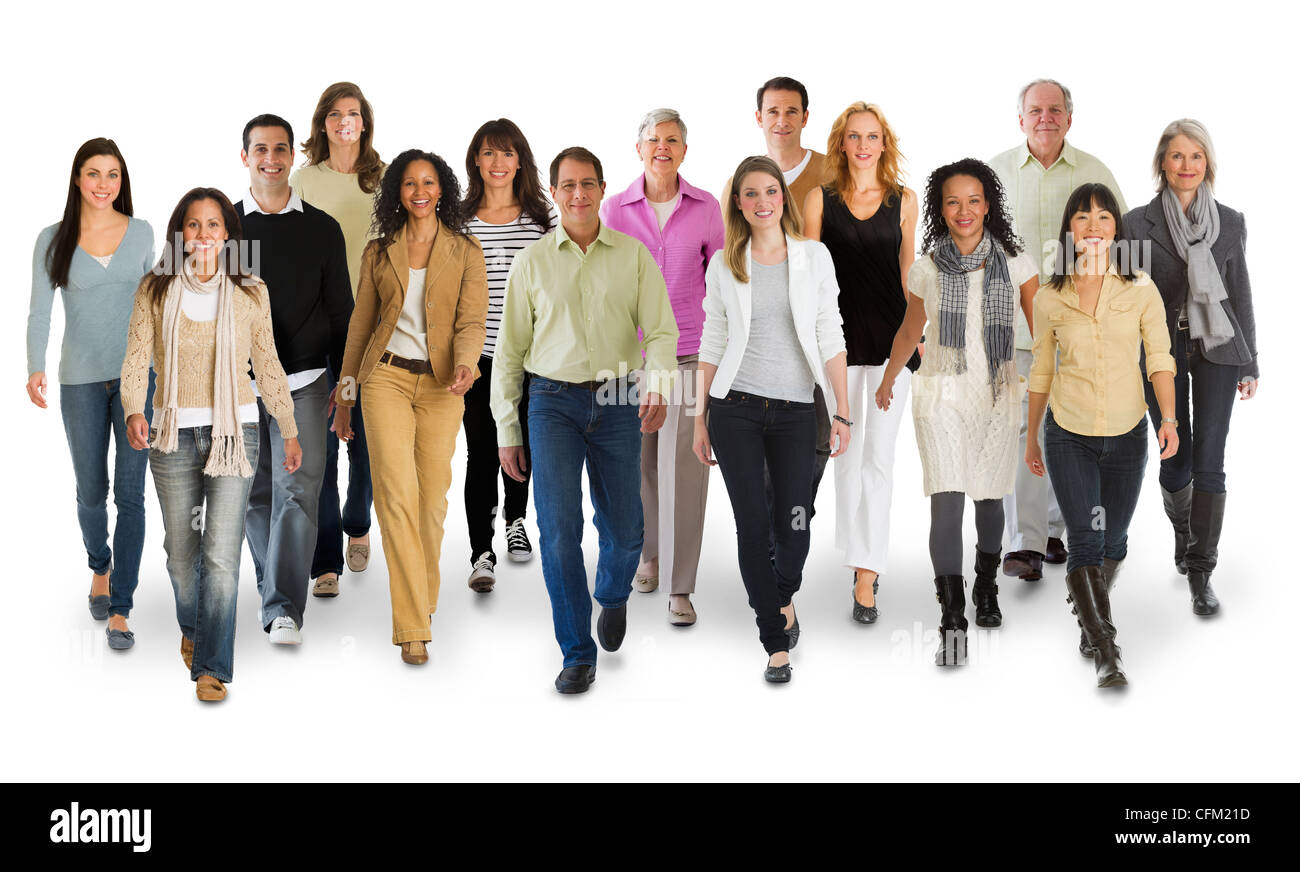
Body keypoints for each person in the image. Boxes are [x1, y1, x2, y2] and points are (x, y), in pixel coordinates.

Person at [491, 146, 677, 694]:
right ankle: (576, 652)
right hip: (551, 402)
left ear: (601, 189)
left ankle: (613, 594)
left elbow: (661, 331)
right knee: (558, 532)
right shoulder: (532, 263)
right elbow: (509, 352)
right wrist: (507, 428)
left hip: (619, 396)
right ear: (553, 193)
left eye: (588, 183)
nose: (578, 194)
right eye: (568, 185)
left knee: (626, 530)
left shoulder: (633, 256)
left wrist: (658, 383)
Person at [121, 188, 301, 702]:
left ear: (228, 234)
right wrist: (134, 407)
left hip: (236, 433)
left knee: (221, 556)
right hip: (171, 434)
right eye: (194, 225)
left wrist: (288, 426)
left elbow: (267, 363)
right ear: (181, 233)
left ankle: (212, 668)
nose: (203, 234)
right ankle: (195, 629)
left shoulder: (251, 291)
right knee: (182, 557)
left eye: (214, 225)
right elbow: (136, 356)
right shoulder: (155, 288)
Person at [875, 159, 1039, 666]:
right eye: (952, 202)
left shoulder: (1017, 264)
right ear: (940, 210)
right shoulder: (927, 268)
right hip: (940, 395)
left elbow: (1045, 333)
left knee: (989, 500)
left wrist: (1056, 384)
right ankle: (952, 617)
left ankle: (985, 585)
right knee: (946, 501)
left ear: (988, 206)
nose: (963, 210)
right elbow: (911, 331)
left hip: (996, 395)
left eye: (973, 200)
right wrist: (888, 377)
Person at [694, 155, 849, 683]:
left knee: (795, 522)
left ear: (783, 197)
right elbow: (712, 340)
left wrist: (843, 410)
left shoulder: (814, 257)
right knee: (752, 525)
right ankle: (774, 641)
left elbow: (830, 332)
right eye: (751, 194)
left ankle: (781, 594)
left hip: (796, 410)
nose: (762, 202)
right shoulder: (725, 263)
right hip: (733, 408)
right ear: (738, 204)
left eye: (770, 191)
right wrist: (699, 419)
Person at [332, 149, 487, 666]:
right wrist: (345, 398)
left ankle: (422, 598)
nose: (420, 191)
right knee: (395, 496)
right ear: (397, 193)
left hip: (444, 386)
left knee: (431, 501)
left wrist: (466, 363)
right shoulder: (379, 252)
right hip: (386, 379)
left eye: (428, 182)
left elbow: (472, 321)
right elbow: (360, 327)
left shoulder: (465, 250)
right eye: (409, 183)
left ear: (442, 190)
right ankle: (412, 626)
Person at [1027, 182, 1178, 687]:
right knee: (1086, 540)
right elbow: (1042, 371)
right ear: (1069, 229)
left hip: (1127, 435)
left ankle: (1090, 609)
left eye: (1103, 217)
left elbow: (1159, 358)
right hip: (1069, 435)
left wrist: (1169, 419)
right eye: (1082, 217)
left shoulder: (1140, 289)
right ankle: (1106, 651)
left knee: (1113, 538)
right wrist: (1031, 437)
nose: (1093, 226)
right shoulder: (1050, 297)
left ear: (1117, 228)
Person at [989, 78, 1127, 582]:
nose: (1044, 118)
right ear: (1020, 118)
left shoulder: (1094, 173)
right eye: (1035, 110)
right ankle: (1025, 542)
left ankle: (1052, 530)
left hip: (1079, 327)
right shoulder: (996, 174)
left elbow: (1122, 245)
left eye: (1054, 110)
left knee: (1066, 429)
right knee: (1022, 429)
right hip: (1015, 329)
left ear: (1069, 118)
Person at [1122, 119, 1258, 616]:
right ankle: (1184, 531)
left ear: (1208, 164)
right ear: (1162, 162)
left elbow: (1239, 293)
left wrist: (1250, 362)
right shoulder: (1136, 224)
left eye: (1196, 156)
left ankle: (1202, 571)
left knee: (1210, 459)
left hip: (1218, 347)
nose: (1187, 165)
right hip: (1161, 351)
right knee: (1175, 458)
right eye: (1177, 156)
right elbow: (1124, 294)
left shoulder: (1231, 222)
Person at [27, 138, 155, 650]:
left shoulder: (141, 232)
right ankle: (100, 566)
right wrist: (34, 367)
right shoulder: (52, 238)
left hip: (137, 381)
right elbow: (39, 310)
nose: (104, 184)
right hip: (79, 380)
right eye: (94, 174)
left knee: (131, 494)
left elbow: (156, 304)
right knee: (90, 492)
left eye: (113, 174)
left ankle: (121, 607)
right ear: (78, 179)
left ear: (123, 181)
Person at [602, 108, 724, 626]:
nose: (662, 148)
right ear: (639, 149)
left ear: (684, 150)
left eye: (672, 140)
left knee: (687, 470)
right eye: (653, 139)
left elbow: (722, 282)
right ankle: (648, 555)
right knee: (638, 465)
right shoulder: (613, 208)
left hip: (690, 353)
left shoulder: (706, 207)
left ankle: (681, 585)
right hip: (629, 358)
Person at [236, 115, 353, 644]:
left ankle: (283, 607)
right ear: (245, 157)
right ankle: (274, 589)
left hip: (305, 379)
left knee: (298, 492)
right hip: (238, 386)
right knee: (254, 493)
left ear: (292, 157)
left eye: (280, 149)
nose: (271, 159)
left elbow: (341, 314)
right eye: (260, 149)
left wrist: (344, 387)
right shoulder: (223, 227)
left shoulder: (321, 229)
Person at [803, 102, 919, 623]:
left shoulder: (904, 200)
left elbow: (908, 272)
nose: (864, 145)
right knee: (845, 455)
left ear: (883, 143)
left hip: (894, 344)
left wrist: (916, 337)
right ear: (842, 144)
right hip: (839, 346)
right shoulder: (819, 200)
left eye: (873, 136)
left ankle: (868, 573)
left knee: (881, 458)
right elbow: (809, 278)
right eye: (855, 136)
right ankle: (856, 552)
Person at [722, 76, 834, 539]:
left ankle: (792, 519)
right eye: (773, 111)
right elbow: (729, 263)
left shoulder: (831, 172)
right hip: (761, 347)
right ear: (759, 118)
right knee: (767, 451)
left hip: (818, 335)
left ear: (806, 117)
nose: (782, 120)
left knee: (819, 441)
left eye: (791, 111)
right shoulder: (742, 181)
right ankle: (776, 541)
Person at [291, 81, 384, 596]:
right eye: (334, 113)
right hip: (318, 326)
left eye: (353, 112)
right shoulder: (304, 180)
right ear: (322, 123)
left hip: (372, 327)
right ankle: (325, 558)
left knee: (366, 441)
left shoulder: (385, 178)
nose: (344, 120)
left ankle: (358, 523)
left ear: (364, 122)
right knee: (321, 446)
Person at [460, 118, 553, 593]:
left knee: (523, 445)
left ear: (520, 161)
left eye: (508, 153)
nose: (498, 162)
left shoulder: (542, 218)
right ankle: (481, 551)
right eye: (489, 152)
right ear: (476, 160)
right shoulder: (458, 220)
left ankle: (516, 519)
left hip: (532, 357)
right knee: (481, 452)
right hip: (477, 358)